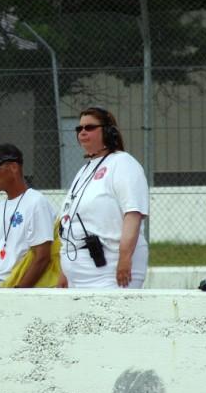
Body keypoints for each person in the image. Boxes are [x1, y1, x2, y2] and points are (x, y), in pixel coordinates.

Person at [58, 106, 149, 289]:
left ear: (108, 132)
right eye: (79, 128)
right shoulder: (84, 170)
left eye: (89, 127)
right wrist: (64, 272)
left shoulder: (123, 163)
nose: (82, 132)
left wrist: (125, 258)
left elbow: (133, 213)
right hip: (79, 272)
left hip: (110, 269)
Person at [0, 144, 58, 288]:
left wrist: (19, 292)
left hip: (16, 286)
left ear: (14, 167)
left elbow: (42, 256)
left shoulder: (36, 202)